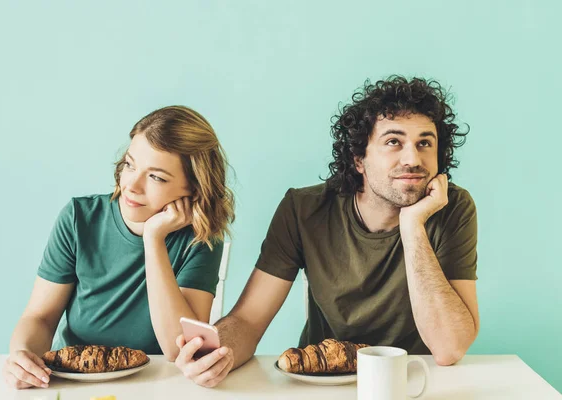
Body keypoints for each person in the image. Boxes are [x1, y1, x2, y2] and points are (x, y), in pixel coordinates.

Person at [174, 76, 480, 388]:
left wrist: (413, 226)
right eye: (393, 142)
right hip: (321, 382)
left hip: (412, 383)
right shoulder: (303, 209)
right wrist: (215, 354)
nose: (413, 159)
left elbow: (449, 348)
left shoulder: (452, 208)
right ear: (358, 159)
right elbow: (249, 320)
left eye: (424, 143)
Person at [3, 106, 235, 389]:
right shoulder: (79, 218)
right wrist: (22, 355)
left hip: (160, 385)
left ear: (194, 189)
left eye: (157, 177)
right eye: (130, 164)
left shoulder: (202, 239)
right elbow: (40, 317)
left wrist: (153, 240)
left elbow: (179, 348)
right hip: (78, 382)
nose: (132, 185)